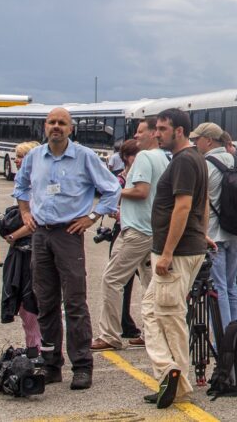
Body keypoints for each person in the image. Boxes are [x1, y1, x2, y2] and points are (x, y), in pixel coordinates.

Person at [12, 107, 121, 389]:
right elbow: (20, 186)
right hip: (41, 235)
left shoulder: (84, 156)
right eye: (52, 122)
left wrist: (93, 216)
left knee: (74, 302)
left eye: (62, 123)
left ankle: (82, 365)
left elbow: (112, 188)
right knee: (45, 302)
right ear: (45, 127)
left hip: (68, 234)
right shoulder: (35, 157)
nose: (56, 127)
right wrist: (25, 213)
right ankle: (51, 365)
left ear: (71, 128)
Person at [141, 108, 209, 409]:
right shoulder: (196, 158)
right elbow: (203, 202)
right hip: (188, 246)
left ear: (178, 131)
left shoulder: (184, 161)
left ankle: (174, 377)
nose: (157, 134)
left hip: (177, 252)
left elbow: (183, 206)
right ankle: (171, 374)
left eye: (162, 129)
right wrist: (202, 232)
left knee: (168, 315)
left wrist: (167, 252)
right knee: (154, 311)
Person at [92, 120, 167, 351]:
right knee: (149, 282)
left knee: (112, 279)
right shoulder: (164, 157)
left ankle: (110, 335)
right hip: (153, 229)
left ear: (153, 133)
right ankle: (150, 332)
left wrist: (114, 191)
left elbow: (141, 191)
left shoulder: (145, 157)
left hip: (137, 230)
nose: (136, 135)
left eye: (140, 131)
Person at [193, 121, 237, 330]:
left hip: (214, 234)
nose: (194, 143)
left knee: (218, 288)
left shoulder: (204, 165)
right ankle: (236, 337)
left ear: (208, 141)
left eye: (197, 139)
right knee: (232, 285)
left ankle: (224, 340)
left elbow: (199, 200)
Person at [1, 141, 42, 350]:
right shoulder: (23, 184)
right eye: (17, 156)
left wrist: (12, 236)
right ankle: (32, 345)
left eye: (21, 156)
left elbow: (34, 222)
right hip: (22, 248)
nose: (17, 160)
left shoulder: (36, 186)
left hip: (31, 248)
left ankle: (37, 346)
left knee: (30, 301)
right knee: (24, 304)